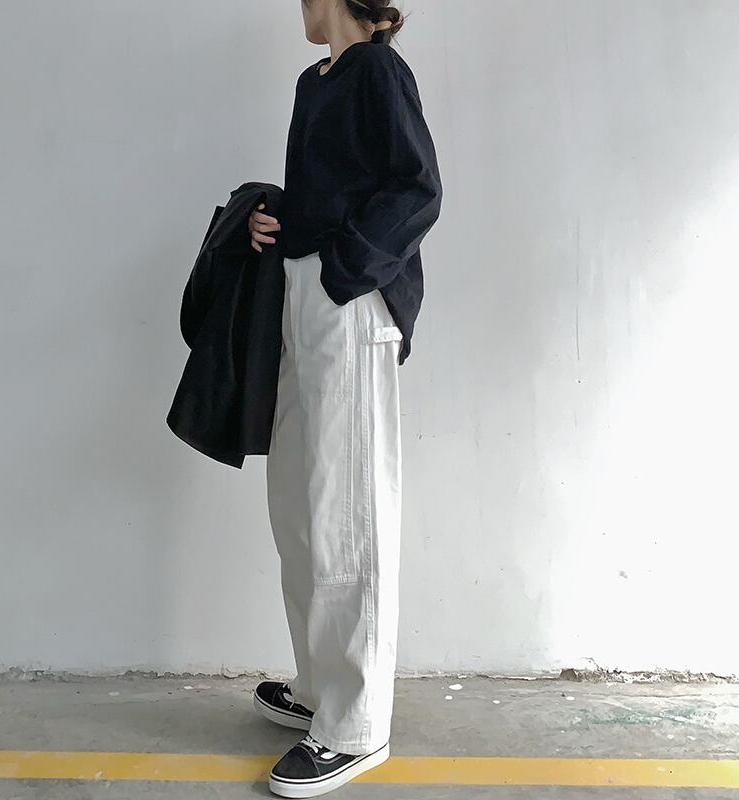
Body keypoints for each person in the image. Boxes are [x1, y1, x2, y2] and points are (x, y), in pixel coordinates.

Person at [248, 1, 442, 795]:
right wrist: (273, 219)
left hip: (350, 306)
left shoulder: (377, 71)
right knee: (299, 505)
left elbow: (417, 189)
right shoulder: (315, 81)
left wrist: (344, 270)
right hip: (305, 303)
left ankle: (357, 725)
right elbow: (330, 195)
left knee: (347, 512)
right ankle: (320, 687)